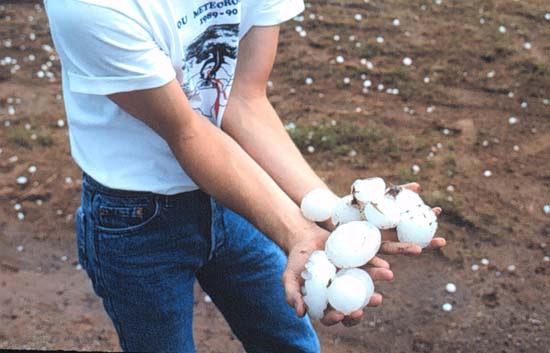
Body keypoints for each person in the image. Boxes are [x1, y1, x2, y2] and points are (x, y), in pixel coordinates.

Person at [44, 0, 446, 352]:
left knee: (290, 342)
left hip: (236, 190)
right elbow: (188, 131)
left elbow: (243, 99)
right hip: (134, 219)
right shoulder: (87, 6)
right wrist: (298, 232)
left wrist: (337, 216)